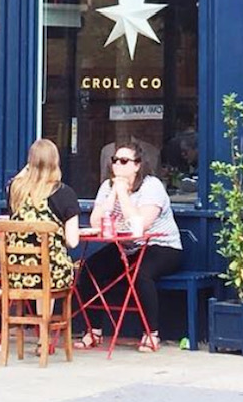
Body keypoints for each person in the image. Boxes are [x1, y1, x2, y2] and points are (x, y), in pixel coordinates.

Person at [77, 143, 182, 353]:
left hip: (161, 245)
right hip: (127, 247)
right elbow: (96, 222)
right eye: (115, 160)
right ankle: (93, 330)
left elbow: (139, 225)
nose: (117, 165)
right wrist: (114, 194)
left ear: (137, 166)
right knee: (88, 269)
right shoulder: (108, 186)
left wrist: (123, 194)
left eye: (124, 161)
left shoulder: (151, 186)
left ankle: (151, 334)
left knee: (142, 275)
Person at [6, 137, 80, 294]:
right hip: (52, 275)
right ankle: (44, 317)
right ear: (56, 162)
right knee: (53, 269)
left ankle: (3, 294)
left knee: (39, 273)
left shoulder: (16, 191)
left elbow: (16, 180)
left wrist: (31, 168)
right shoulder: (65, 193)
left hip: (17, 274)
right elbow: (72, 242)